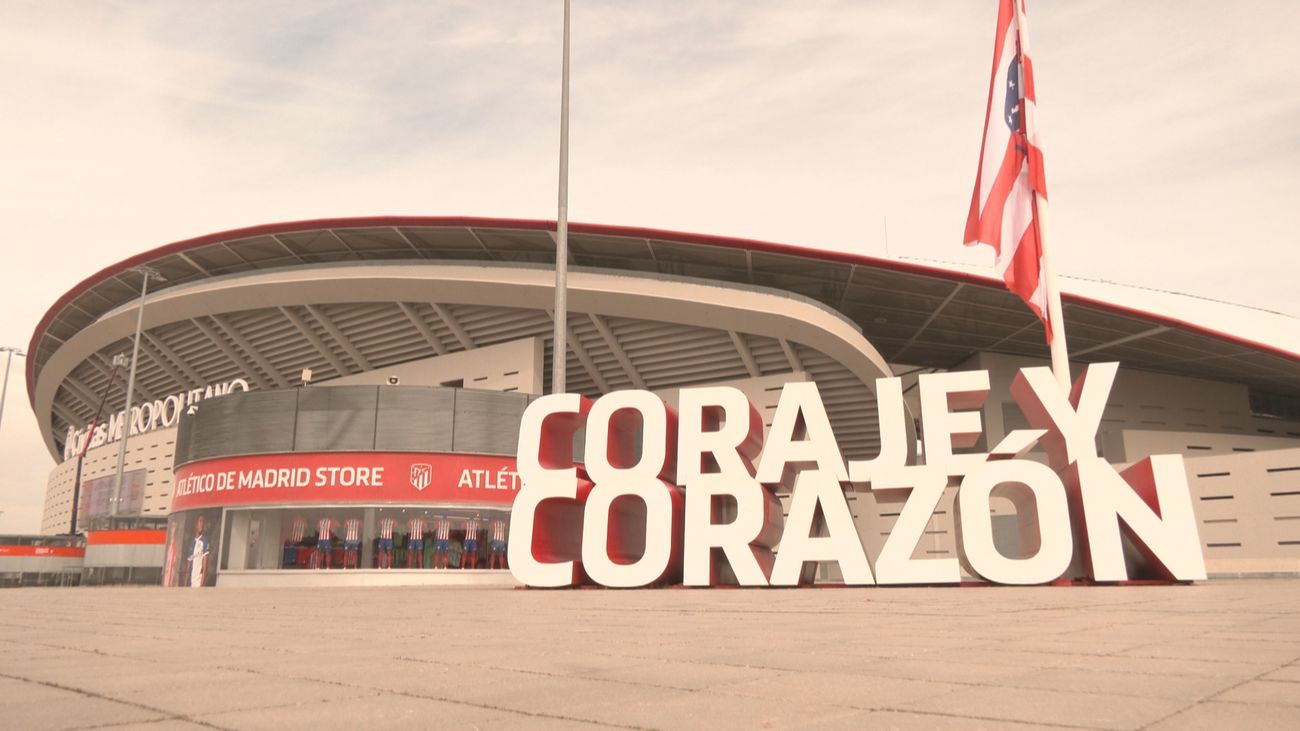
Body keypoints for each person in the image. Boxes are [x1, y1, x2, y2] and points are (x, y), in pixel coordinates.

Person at [187, 515, 210, 588]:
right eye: (200, 521)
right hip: (191, 583)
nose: (202, 524)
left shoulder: (205, 541)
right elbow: (188, 567)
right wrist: (185, 585)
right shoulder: (191, 543)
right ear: (195, 524)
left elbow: (205, 568)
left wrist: (201, 586)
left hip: (198, 584)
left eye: (203, 521)